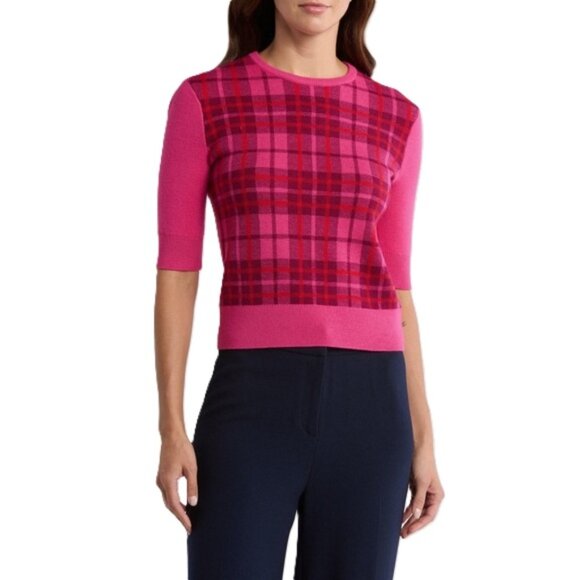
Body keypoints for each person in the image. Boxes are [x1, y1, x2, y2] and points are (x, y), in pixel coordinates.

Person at [154, 1, 444, 578]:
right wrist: (171, 427)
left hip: (372, 407)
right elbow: (178, 271)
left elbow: (399, 287)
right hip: (251, 400)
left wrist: (424, 436)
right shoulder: (204, 100)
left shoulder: (397, 116)